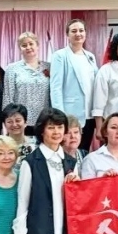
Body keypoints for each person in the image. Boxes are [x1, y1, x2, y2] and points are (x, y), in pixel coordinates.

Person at [50, 19, 99, 151]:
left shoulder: (90, 56)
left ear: (85, 33)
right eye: (74, 31)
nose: (78, 34)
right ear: (67, 34)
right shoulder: (60, 56)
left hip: (89, 115)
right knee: (68, 150)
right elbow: (55, 88)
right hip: (70, 114)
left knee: (84, 151)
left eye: (81, 30)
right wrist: (60, 117)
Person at [2, 32, 51, 134]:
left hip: (45, 121)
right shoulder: (12, 69)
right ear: (20, 49)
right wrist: (10, 122)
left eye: (31, 44)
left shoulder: (49, 67)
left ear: (37, 45)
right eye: (24, 45)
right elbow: (8, 98)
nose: (28, 47)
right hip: (20, 123)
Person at [2, 104, 38, 168]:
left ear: (25, 122)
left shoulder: (36, 144)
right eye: (10, 122)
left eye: (18, 121)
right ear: (4, 124)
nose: (14, 125)